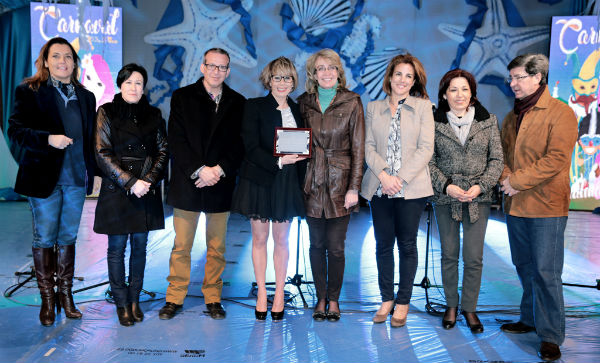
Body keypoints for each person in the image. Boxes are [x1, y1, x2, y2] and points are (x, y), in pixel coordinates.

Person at [7, 37, 98, 326]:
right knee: (45, 238)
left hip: (75, 178)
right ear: (46, 61)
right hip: (42, 178)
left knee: (68, 237)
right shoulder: (29, 91)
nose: (63, 61)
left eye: (68, 56)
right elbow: (16, 131)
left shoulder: (87, 97)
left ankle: (66, 296)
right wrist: (48, 139)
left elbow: (91, 141)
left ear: (74, 61)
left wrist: (93, 174)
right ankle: (48, 300)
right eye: (56, 56)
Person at [499, 54, 577, 362]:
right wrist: (507, 178)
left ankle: (550, 336)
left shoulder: (561, 113)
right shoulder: (512, 116)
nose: (512, 83)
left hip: (547, 206)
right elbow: (503, 155)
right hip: (515, 205)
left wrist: (517, 180)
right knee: (525, 267)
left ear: (538, 78)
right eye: (511, 78)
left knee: (546, 272)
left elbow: (556, 159)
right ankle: (530, 318)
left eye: (518, 77)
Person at [158, 48, 246, 320]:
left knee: (217, 247)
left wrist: (218, 170)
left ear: (228, 71)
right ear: (202, 67)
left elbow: (240, 145)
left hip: (220, 183)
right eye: (212, 66)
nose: (217, 71)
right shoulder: (182, 97)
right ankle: (174, 297)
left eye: (222, 67)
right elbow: (176, 140)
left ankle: (213, 297)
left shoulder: (238, 102)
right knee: (182, 245)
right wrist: (199, 170)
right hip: (189, 182)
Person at [360, 53, 434, 328]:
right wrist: (383, 175)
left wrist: (399, 179)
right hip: (379, 187)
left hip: (411, 188)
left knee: (407, 244)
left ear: (414, 81)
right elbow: (368, 146)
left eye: (409, 76)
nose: (402, 80)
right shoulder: (373, 107)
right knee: (382, 245)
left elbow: (426, 149)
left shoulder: (424, 107)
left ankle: (403, 301)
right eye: (398, 74)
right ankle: (386, 298)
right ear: (390, 76)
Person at [231, 57, 307, 321]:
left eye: (287, 78)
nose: (282, 83)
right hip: (260, 180)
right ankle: (262, 292)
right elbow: (249, 147)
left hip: (287, 183)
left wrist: (296, 161)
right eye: (277, 77)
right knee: (260, 239)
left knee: (282, 240)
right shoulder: (254, 107)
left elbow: (303, 147)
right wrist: (278, 160)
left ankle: (279, 294)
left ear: (293, 81)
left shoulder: (299, 110)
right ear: (268, 80)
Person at [429, 69, 503, 333]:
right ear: (444, 94)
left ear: (472, 93)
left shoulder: (488, 120)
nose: (459, 95)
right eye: (453, 90)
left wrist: (480, 187)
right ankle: (451, 305)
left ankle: (469, 308)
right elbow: (428, 160)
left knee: (474, 257)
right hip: (446, 197)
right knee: (449, 255)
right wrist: (446, 186)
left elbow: (497, 160)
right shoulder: (433, 121)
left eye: (464, 89)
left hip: (477, 199)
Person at [94, 64, 168, 326]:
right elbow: (102, 152)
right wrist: (130, 181)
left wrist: (146, 181)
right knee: (116, 249)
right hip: (118, 190)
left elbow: (162, 151)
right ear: (120, 85)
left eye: (139, 82)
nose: (134, 87)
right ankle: (121, 303)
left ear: (144, 87)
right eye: (129, 82)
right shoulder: (107, 112)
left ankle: (135, 299)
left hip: (144, 191)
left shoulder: (154, 114)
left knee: (139, 248)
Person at [298, 48, 365, 322]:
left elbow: (358, 148)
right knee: (316, 245)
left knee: (336, 247)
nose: (326, 73)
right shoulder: (303, 102)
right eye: (320, 68)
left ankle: (334, 299)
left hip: (340, 184)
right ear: (313, 74)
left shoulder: (352, 102)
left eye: (331, 67)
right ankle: (320, 297)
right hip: (312, 182)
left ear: (339, 71)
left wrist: (354, 187)